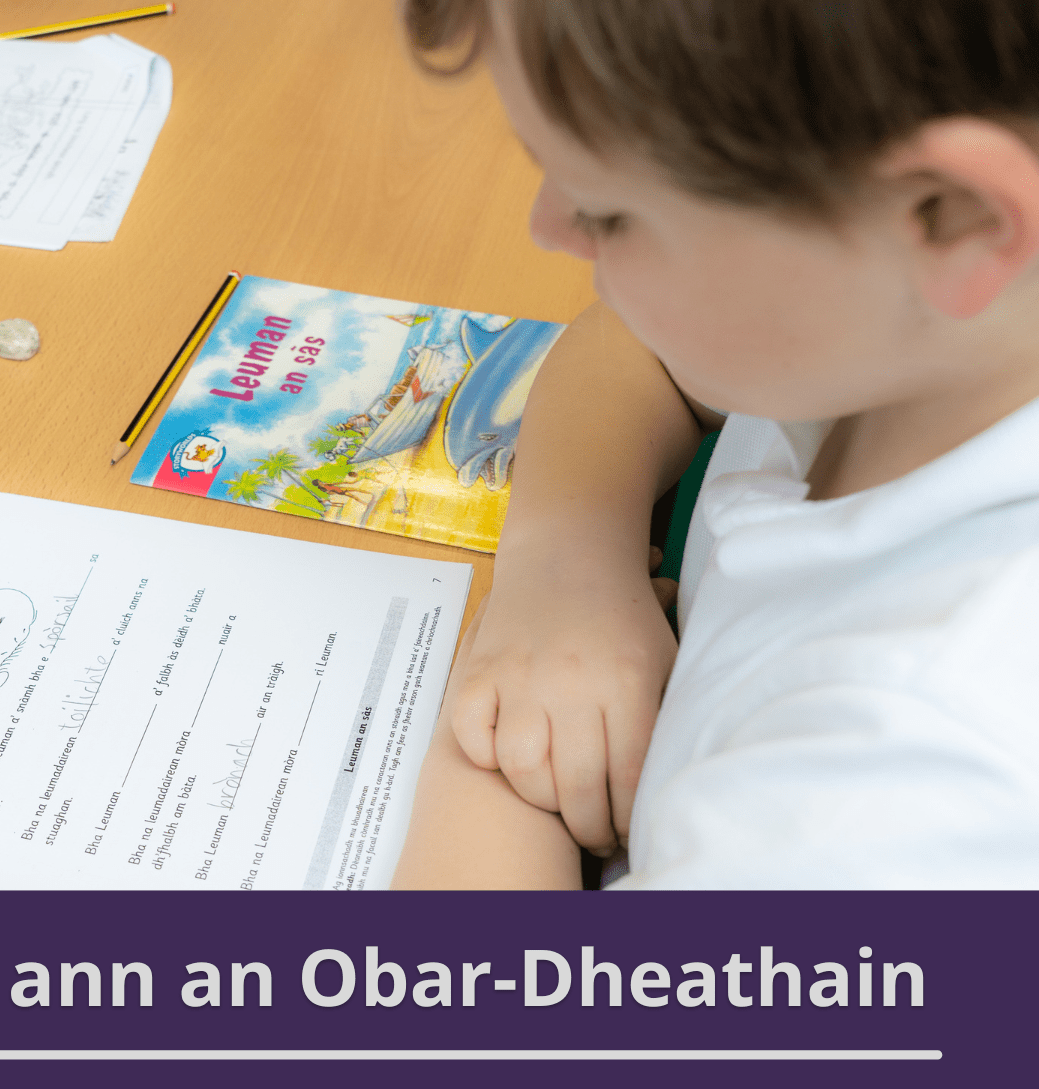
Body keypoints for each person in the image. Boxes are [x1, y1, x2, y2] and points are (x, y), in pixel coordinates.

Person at [391, 0, 1039, 888]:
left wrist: (502, 755)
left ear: (951, 215)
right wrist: (563, 572)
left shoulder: (900, 792)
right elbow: (635, 344)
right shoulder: (915, 334)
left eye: (610, 213)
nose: (550, 229)